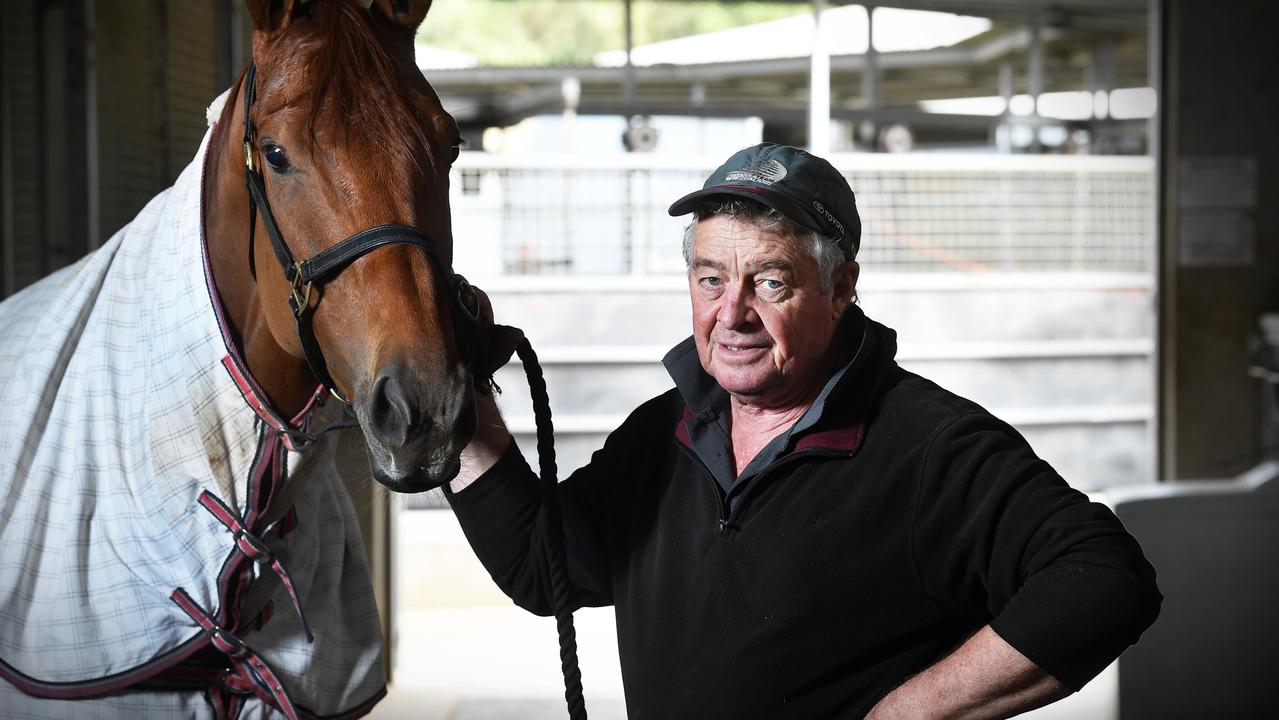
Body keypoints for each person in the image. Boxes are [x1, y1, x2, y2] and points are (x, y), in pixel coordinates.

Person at [449, 143, 1161, 718]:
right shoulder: (660, 436)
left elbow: (1103, 579)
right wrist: (457, 394)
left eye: (768, 282)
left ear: (840, 288)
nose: (730, 314)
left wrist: (909, 713)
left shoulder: (929, 448)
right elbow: (543, 570)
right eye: (708, 281)